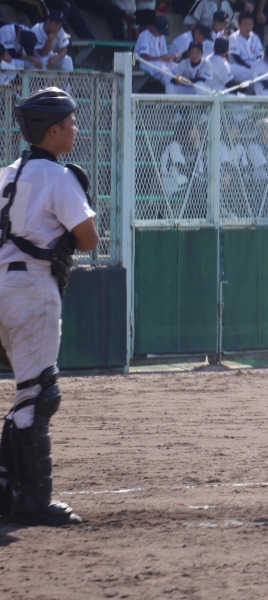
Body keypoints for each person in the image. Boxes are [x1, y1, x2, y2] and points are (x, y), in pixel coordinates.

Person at [0, 87, 99, 526]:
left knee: (27, 393)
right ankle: (34, 502)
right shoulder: (59, 178)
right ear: (52, 131)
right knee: (39, 395)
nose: (75, 129)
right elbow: (89, 238)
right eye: (70, 123)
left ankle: (8, 494)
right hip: (32, 288)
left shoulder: (8, 173)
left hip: (4, 285)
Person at [135, 11, 175, 89]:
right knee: (166, 73)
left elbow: (164, 54)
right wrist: (161, 58)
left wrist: (170, 58)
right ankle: (170, 91)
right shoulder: (145, 35)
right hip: (147, 63)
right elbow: (143, 57)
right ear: (153, 27)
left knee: (177, 68)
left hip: (159, 62)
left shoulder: (161, 36)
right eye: (160, 31)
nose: (161, 33)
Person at [228, 12, 263, 83]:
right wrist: (250, 67)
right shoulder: (234, 37)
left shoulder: (255, 36)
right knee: (254, 74)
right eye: (244, 24)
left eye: (250, 24)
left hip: (253, 64)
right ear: (239, 24)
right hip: (237, 66)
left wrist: (257, 65)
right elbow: (236, 58)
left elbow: (260, 55)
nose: (247, 27)